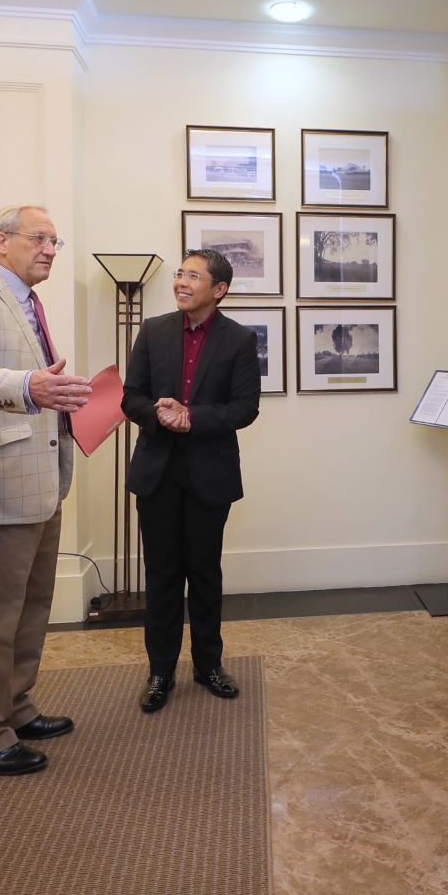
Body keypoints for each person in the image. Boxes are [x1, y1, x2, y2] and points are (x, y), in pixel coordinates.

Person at [0, 205, 91, 775]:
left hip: (41, 480)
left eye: (56, 240)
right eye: (39, 238)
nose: (51, 249)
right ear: (0, 241)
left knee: (32, 610)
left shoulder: (28, 300)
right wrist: (31, 385)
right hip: (1, 484)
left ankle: (17, 706)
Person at [123, 248, 261, 713]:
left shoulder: (239, 340)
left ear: (218, 290)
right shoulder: (153, 330)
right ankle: (160, 672)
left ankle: (208, 665)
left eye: (193, 276)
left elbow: (246, 408)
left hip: (209, 473)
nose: (182, 282)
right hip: (157, 471)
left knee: (205, 574)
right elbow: (130, 398)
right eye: (180, 274)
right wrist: (161, 415)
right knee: (162, 576)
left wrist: (193, 418)